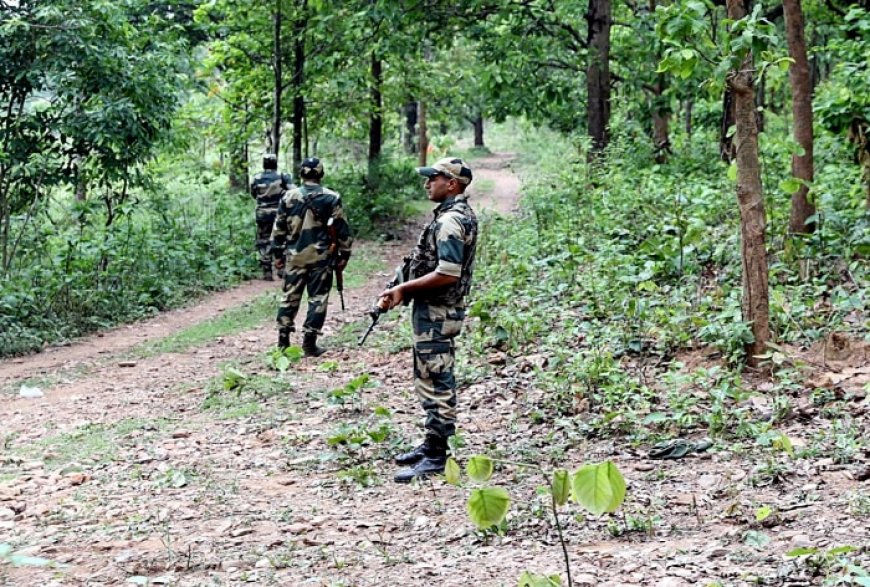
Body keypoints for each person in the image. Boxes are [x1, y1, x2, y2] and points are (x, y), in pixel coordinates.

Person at [378, 157, 478, 483]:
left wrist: (405, 288)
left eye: (433, 178)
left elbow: (448, 272)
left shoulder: (451, 222)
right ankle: (433, 442)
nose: (427, 183)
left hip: (438, 311)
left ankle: (437, 455)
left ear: (452, 184)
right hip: (432, 310)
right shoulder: (449, 216)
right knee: (429, 374)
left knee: (436, 378)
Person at [270, 157, 353, 356]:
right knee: (318, 298)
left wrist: (277, 253)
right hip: (321, 257)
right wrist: (345, 253)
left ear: (301, 174)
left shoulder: (289, 197)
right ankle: (309, 342)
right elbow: (341, 228)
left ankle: (283, 342)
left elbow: (279, 227)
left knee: (289, 297)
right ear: (321, 174)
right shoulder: (331, 197)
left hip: (294, 256)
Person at [251, 154, 294, 281]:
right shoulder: (283, 176)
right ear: (275, 163)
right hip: (279, 213)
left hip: (262, 213)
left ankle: (267, 270)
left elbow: (253, 194)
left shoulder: (256, 178)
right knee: (281, 238)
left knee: (263, 240)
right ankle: (281, 268)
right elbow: (292, 192)